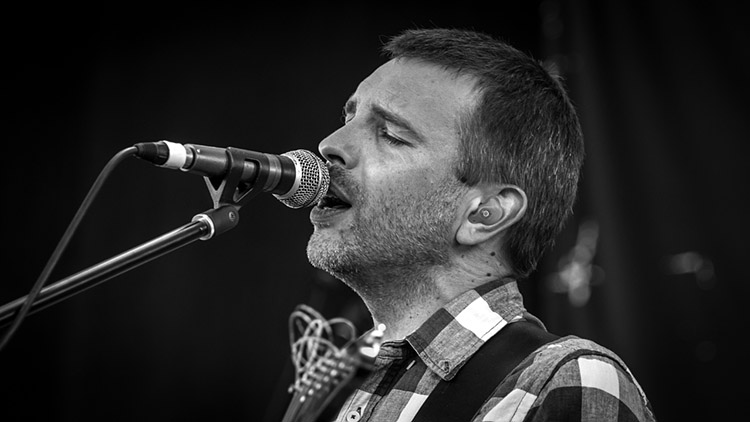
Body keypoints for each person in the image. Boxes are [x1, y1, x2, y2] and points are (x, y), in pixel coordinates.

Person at [305, 28, 656, 421]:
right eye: (348, 118)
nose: (330, 144)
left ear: (484, 213)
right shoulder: (340, 382)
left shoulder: (562, 380)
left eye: (391, 135)